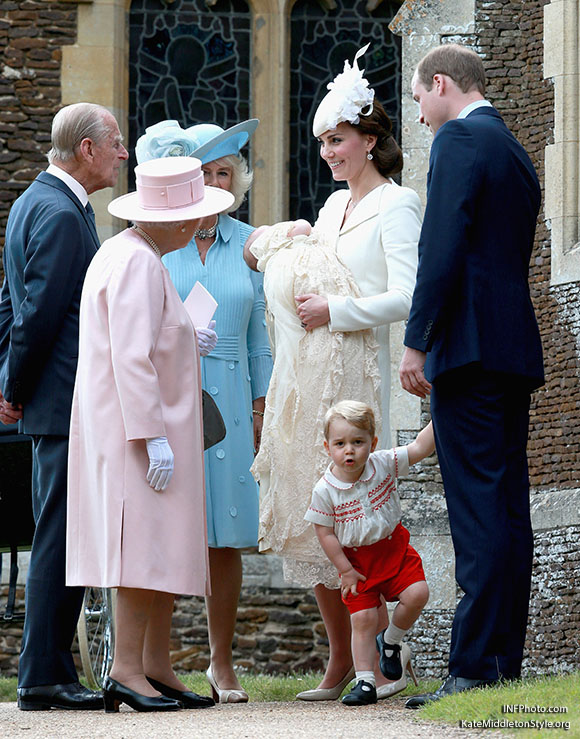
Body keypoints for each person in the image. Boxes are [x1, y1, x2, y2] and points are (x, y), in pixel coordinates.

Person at [399, 44, 544, 707]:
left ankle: (472, 668)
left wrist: (416, 340)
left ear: (440, 84)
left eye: (418, 96)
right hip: (512, 347)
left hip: (468, 347)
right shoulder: (513, 149)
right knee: (508, 506)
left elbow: (443, 246)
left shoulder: (458, 139)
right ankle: (501, 660)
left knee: (478, 509)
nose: (420, 111)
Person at [277, 44, 422, 700]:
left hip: (362, 374)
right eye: (322, 143)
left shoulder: (397, 204)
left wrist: (336, 307)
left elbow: (408, 296)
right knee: (320, 507)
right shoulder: (333, 207)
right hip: (319, 376)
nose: (328, 153)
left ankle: (384, 649)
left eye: (336, 140)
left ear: (367, 139)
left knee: (361, 510)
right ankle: (341, 657)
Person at [66, 155, 233, 712]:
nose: (195, 225)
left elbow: (148, 339)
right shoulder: (136, 261)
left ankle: (156, 666)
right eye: (192, 215)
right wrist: (151, 435)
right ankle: (129, 671)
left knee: (159, 548)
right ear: (174, 219)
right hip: (137, 436)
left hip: (143, 430)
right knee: (139, 551)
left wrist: (187, 339)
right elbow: (130, 358)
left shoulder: (132, 253)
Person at [135, 119, 272, 703]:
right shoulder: (160, 242)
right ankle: (147, 662)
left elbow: (261, 335)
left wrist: (264, 403)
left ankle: (222, 664)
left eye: (224, 172)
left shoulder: (250, 243)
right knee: (169, 530)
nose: (215, 181)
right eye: (205, 172)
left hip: (235, 402)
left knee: (225, 540)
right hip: (172, 398)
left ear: (236, 181)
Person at [0, 103, 128, 711]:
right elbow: (38, 314)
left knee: (60, 532)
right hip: (61, 400)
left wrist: (7, 381)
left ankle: (46, 670)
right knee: (61, 536)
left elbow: (9, 305)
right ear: (86, 150)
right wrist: (15, 389)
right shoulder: (56, 211)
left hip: (49, 397)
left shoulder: (35, 201)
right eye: (116, 144)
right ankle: (44, 676)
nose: (123, 154)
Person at [304, 401, 433, 705]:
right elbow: (324, 532)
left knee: (418, 594)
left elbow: (418, 449)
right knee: (362, 618)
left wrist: (442, 410)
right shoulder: (325, 490)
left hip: (394, 548)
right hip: (357, 561)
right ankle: (365, 682)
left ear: (372, 443)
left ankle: (390, 641)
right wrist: (345, 569)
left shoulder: (383, 463)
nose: (349, 451)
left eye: (358, 442)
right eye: (340, 444)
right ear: (327, 447)